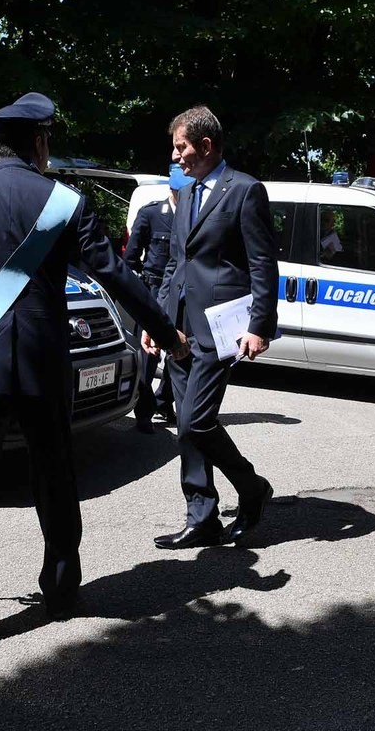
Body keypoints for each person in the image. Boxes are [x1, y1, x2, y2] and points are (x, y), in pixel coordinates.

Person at [0, 92, 188, 647]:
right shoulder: (64, 201)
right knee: (55, 478)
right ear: (38, 142)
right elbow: (117, 275)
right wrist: (169, 335)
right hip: (43, 366)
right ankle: (60, 593)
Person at [143, 106, 280, 549]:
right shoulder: (185, 193)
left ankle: (251, 488)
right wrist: (158, 321)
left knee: (196, 422)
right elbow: (174, 266)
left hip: (222, 328)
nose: (175, 155)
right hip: (179, 327)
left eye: (181, 147)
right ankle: (201, 516)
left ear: (205, 145)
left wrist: (260, 324)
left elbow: (262, 263)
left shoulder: (244, 190)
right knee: (186, 422)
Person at [123, 163, 191, 431]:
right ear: (173, 190)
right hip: (153, 292)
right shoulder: (151, 213)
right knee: (148, 356)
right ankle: (143, 412)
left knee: (180, 351)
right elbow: (130, 258)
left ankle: (164, 401)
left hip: (181, 294)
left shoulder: (194, 217)